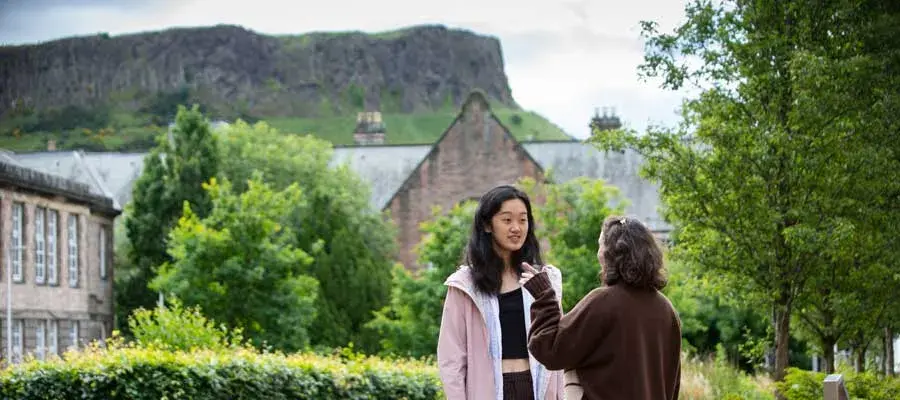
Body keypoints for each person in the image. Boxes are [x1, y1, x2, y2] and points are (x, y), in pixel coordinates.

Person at [519, 215, 682, 400]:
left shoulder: (604, 301)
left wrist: (544, 297)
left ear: (612, 254)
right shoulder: (667, 310)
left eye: (601, 245)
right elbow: (672, 384)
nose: (599, 253)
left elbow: (550, 350)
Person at [437, 185, 564, 400]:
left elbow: (558, 344)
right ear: (487, 225)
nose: (516, 228)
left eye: (523, 220)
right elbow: (451, 359)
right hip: (488, 391)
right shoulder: (465, 285)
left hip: (536, 389)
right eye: (507, 220)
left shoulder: (543, 279)